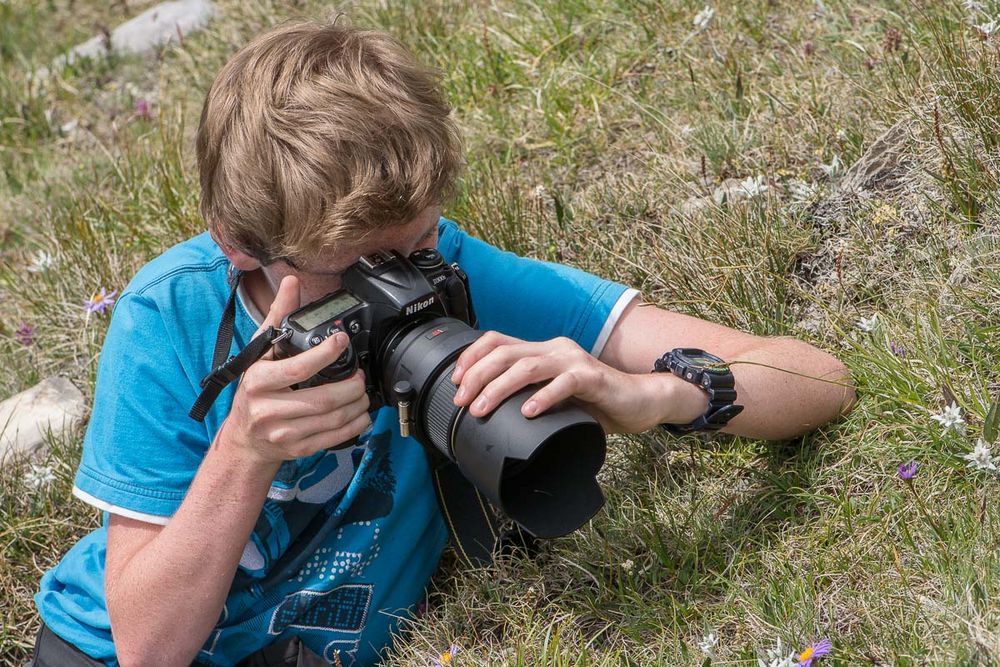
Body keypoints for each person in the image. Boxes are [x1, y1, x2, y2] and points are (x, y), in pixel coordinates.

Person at [31, 20, 855, 667]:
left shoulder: (448, 271)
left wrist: (647, 394)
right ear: (240, 246)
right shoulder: (169, 318)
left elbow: (817, 379)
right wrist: (243, 449)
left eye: (415, 246)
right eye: (355, 270)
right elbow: (147, 647)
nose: (397, 287)